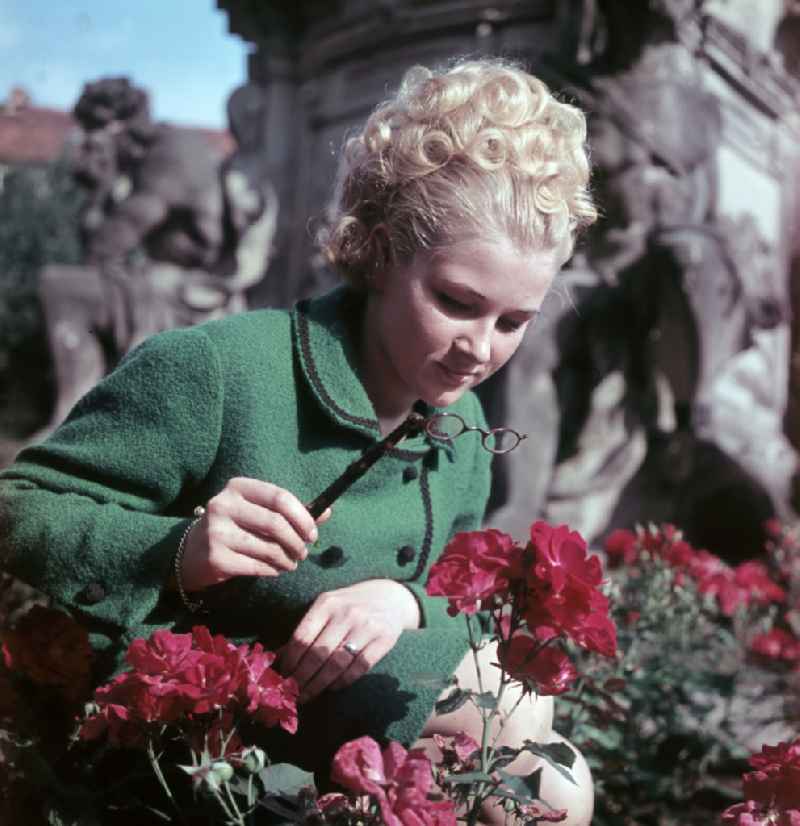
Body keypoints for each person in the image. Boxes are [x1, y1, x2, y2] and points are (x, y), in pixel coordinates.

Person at [0, 58, 596, 824]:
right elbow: (20, 507)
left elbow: (468, 594)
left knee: (549, 778)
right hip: (208, 750)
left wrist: (407, 604)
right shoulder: (221, 368)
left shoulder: (468, 423)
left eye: (514, 321)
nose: (479, 350)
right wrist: (180, 550)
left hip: (364, 729)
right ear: (380, 250)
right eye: (456, 302)